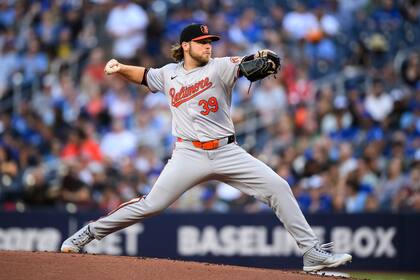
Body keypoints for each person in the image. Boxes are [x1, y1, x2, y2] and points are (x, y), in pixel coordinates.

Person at [61, 23, 352, 272]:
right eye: (202, 42)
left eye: (210, 41)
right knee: (151, 205)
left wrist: (259, 57)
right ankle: (87, 233)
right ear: (185, 45)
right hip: (188, 154)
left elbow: (245, 64)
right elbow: (145, 75)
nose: (208, 46)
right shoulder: (169, 74)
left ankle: (311, 252)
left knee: (278, 187)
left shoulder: (222, 67)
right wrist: (121, 67)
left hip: (227, 151)